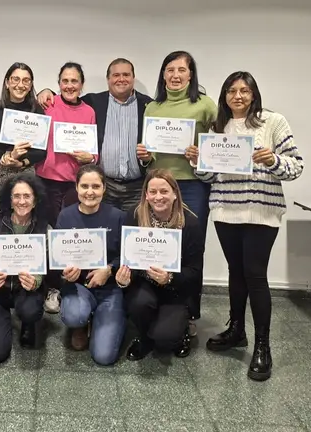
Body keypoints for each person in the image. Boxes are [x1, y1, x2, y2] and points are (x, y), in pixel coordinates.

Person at [187, 71, 304, 381]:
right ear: (224, 95)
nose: (237, 96)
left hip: (260, 210)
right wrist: (197, 162)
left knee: (255, 275)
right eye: (231, 91)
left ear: (254, 94)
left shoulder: (273, 122)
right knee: (235, 272)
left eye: (244, 90)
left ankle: (263, 346)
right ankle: (237, 329)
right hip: (226, 209)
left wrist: (273, 160)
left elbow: (296, 166)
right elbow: (212, 176)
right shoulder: (218, 127)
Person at [143, 51, 217, 337]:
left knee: (191, 249)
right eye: (170, 70)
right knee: (158, 244)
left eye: (181, 70)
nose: (175, 75)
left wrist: (203, 154)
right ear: (163, 75)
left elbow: (222, 141)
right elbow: (149, 156)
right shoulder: (153, 107)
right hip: (159, 185)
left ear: (190, 74)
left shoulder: (204, 105)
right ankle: (160, 305)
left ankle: (189, 311)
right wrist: (145, 157)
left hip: (192, 186)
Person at [37, 58, 153, 213]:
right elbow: (66, 101)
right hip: (104, 186)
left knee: (131, 230)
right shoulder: (94, 102)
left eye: (126, 74)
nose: (121, 79)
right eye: (116, 75)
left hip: (136, 187)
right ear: (108, 79)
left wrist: (91, 159)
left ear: (133, 78)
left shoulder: (148, 105)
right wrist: (44, 91)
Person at [116, 169, 204, 361]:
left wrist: (170, 277)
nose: (158, 197)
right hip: (145, 284)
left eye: (164, 191)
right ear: (146, 195)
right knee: (139, 304)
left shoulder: (190, 223)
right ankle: (144, 338)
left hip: (175, 291)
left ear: (175, 194)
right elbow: (126, 258)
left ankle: (181, 332)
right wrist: (123, 279)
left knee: (165, 338)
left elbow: (195, 271)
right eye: (153, 191)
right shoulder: (134, 216)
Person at [34, 62, 97, 314]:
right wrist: (42, 91)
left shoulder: (89, 111)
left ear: (82, 85)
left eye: (74, 81)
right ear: (59, 83)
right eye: (65, 81)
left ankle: (69, 286)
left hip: (74, 184)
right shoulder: (48, 104)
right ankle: (50, 287)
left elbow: (94, 153)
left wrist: (89, 158)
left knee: (70, 236)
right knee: (47, 236)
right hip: (46, 180)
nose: (70, 86)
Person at [56, 164, 126, 366]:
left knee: (104, 357)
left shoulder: (118, 216)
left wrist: (109, 269)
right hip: (78, 285)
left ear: (104, 188)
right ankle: (81, 323)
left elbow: (127, 255)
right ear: (76, 187)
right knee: (75, 316)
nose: (90, 192)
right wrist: (66, 271)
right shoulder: (65, 216)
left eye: (96, 186)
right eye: (84, 186)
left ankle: (100, 320)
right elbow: (60, 257)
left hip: (110, 289)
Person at [0, 172, 50, 363]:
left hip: (26, 290)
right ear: (9, 201)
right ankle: (0, 319)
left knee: (30, 310)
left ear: (35, 201)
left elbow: (44, 269)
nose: (22, 201)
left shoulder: (45, 228)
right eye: (16, 196)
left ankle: (28, 323)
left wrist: (36, 281)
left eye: (27, 196)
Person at [0, 62, 47, 217]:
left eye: (26, 80)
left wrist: (21, 162)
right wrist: (8, 157)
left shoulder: (38, 111)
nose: (20, 85)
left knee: (25, 226)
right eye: (15, 79)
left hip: (27, 174)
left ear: (31, 84)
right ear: (7, 82)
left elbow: (41, 151)